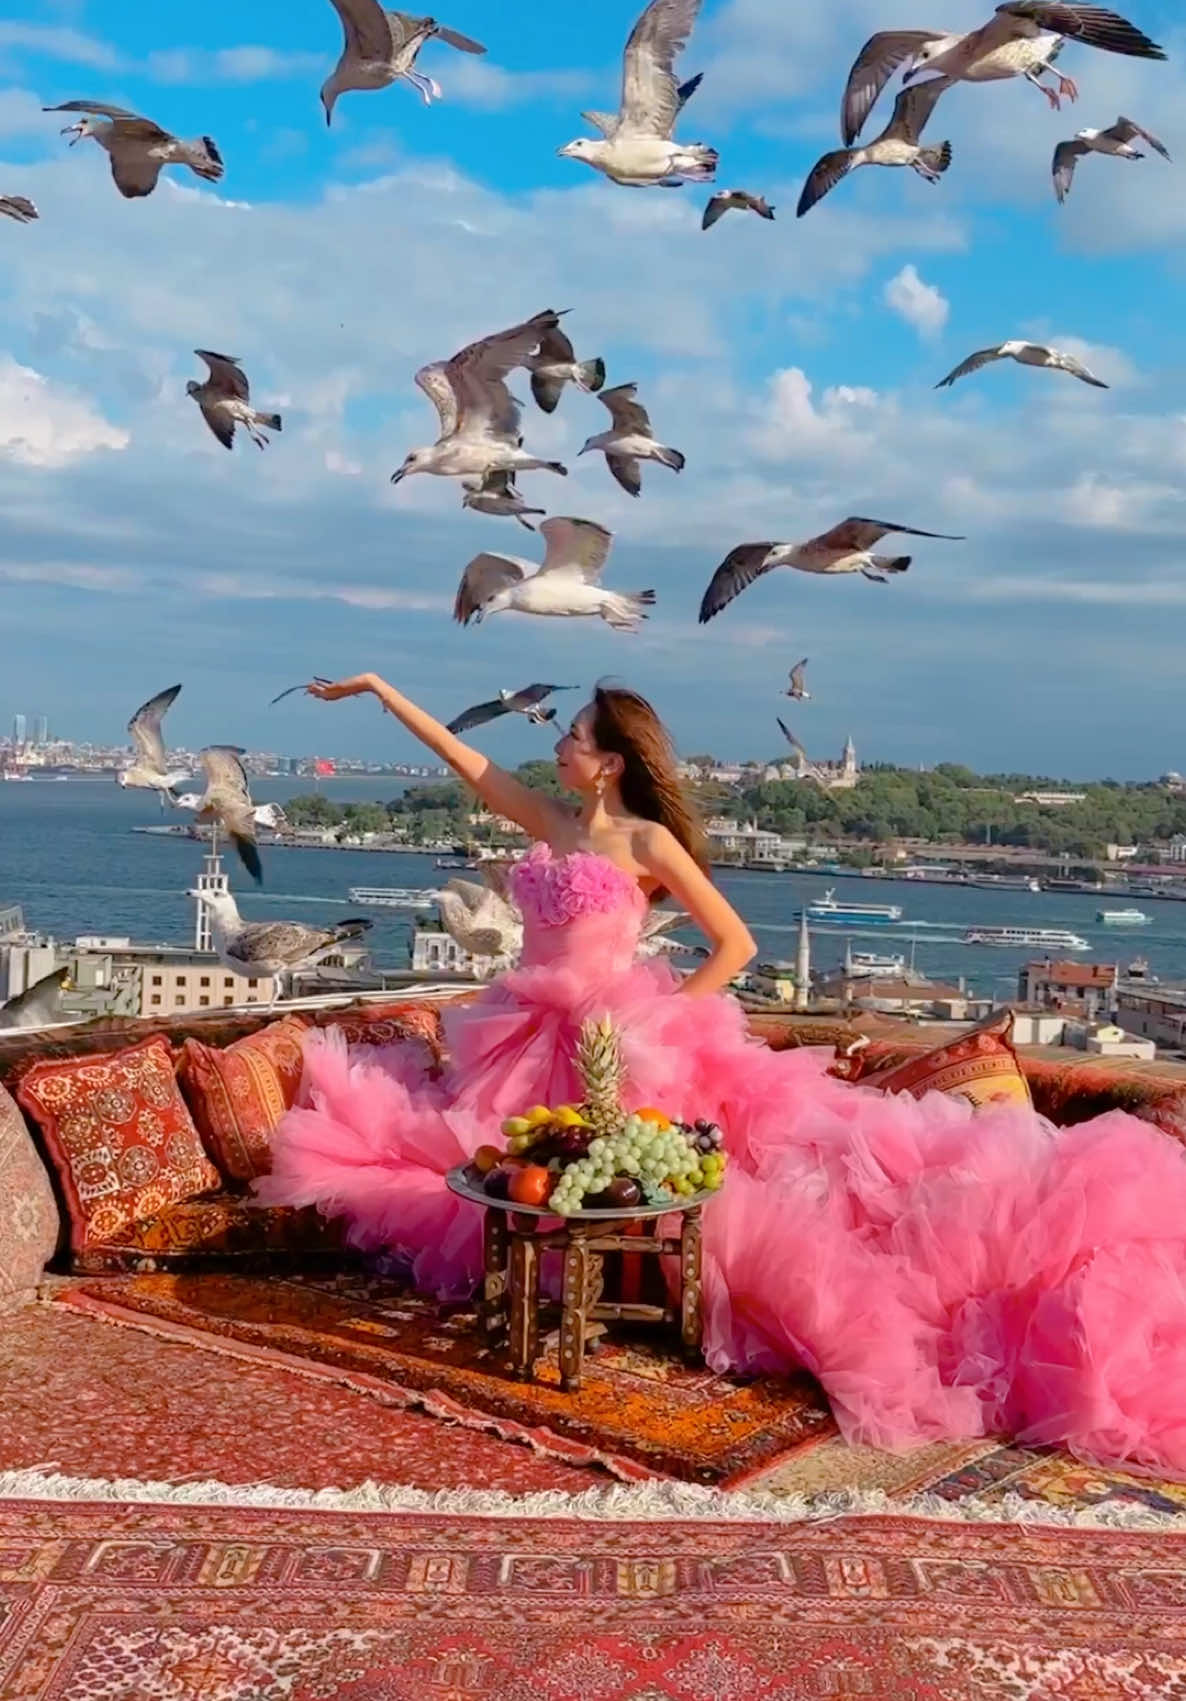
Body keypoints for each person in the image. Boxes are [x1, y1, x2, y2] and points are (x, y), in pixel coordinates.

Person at [258, 672, 1186, 1474]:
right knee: (492, 1163)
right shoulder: (550, 822)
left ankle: (614, 1292)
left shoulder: (648, 845)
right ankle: (577, 1287)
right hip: (521, 1034)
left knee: (668, 1175)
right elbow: (469, 764)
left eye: (575, 736)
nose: (561, 745)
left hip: (621, 1034)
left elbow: (735, 943)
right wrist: (381, 692)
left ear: (612, 760)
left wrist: (661, 1014)